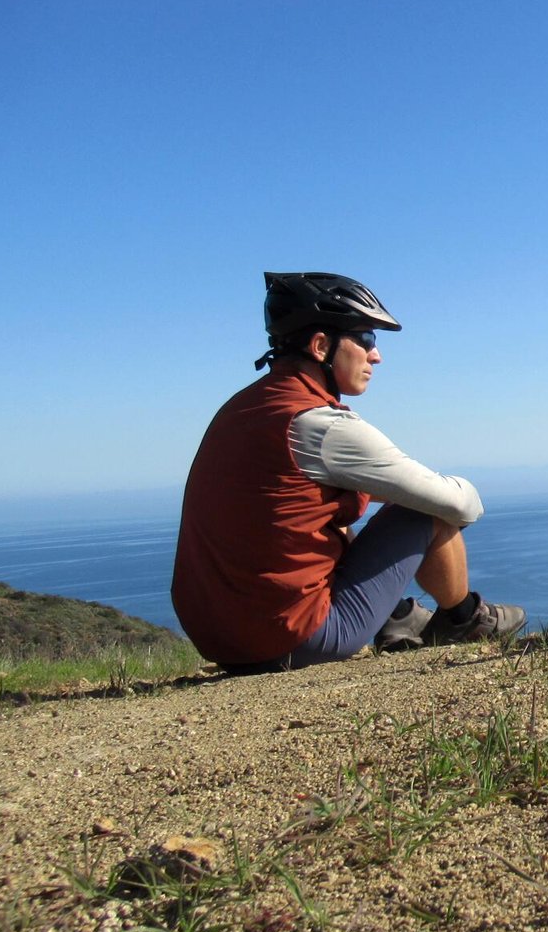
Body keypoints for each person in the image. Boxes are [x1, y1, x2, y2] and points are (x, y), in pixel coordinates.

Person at [172, 272, 526, 669]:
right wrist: (447, 486)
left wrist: (362, 488)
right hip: (294, 639)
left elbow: (286, 499)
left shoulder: (244, 408)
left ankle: (397, 616)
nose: (376, 356)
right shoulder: (319, 425)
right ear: (321, 345)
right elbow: (461, 506)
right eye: (367, 339)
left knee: (327, 509)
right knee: (425, 510)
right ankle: (464, 620)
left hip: (219, 641)